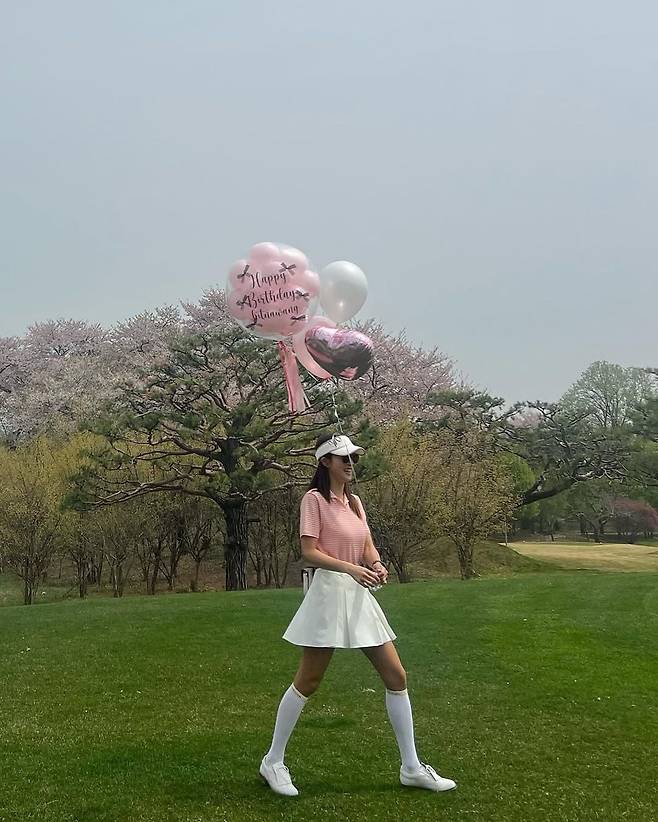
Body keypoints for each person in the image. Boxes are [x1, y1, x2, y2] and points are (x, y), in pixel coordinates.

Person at [259, 432, 457, 797]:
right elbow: (309, 552)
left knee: (396, 675)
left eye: (354, 458)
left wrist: (376, 564)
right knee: (308, 680)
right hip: (328, 594)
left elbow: (366, 546)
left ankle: (412, 767)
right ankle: (273, 761)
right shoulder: (313, 499)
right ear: (325, 462)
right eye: (343, 458)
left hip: (359, 595)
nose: (351, 464)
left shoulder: (355, 502)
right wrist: (350, 569)